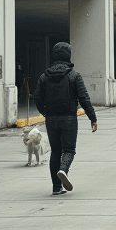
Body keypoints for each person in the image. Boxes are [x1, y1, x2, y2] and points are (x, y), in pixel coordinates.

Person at [34, 41, 98, 196]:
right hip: (69, 118)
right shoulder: (74, 76)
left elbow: (37, 98)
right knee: (69, 149)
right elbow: (84, 98)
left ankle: (56, 188)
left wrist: (45, 112)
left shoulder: (44, 76)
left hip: (51, 119)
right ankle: (63, 170)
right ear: (68, 56)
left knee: (55, 152)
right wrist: (92, 118)